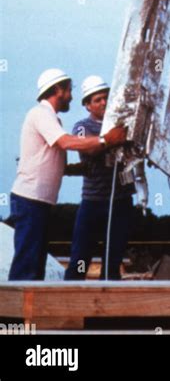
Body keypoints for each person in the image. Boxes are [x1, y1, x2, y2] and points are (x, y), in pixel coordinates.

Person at [9, 69, 127, 281]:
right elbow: (66, 142)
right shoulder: (41, 114)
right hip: (31, 200)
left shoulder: (52, 119)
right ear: (57, 90)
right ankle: (13, 313)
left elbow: (57, 165)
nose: (71, 96)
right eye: (69, 91)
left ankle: (27, 313)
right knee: (28, 262)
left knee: (35, 262)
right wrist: (106, 141)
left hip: (39, 201)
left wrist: (85, 168)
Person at [64, 76, 135, 281]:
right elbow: (87, 151)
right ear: (87, 105)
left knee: (113, 261)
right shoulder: (82, 126)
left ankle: (106, 310)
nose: (103, 102)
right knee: (80, 258)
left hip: (120, 201)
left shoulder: (124, 124)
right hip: (93, 202)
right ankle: (70, 304)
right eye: (97, 100)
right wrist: (111, 139)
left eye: (106, 98)